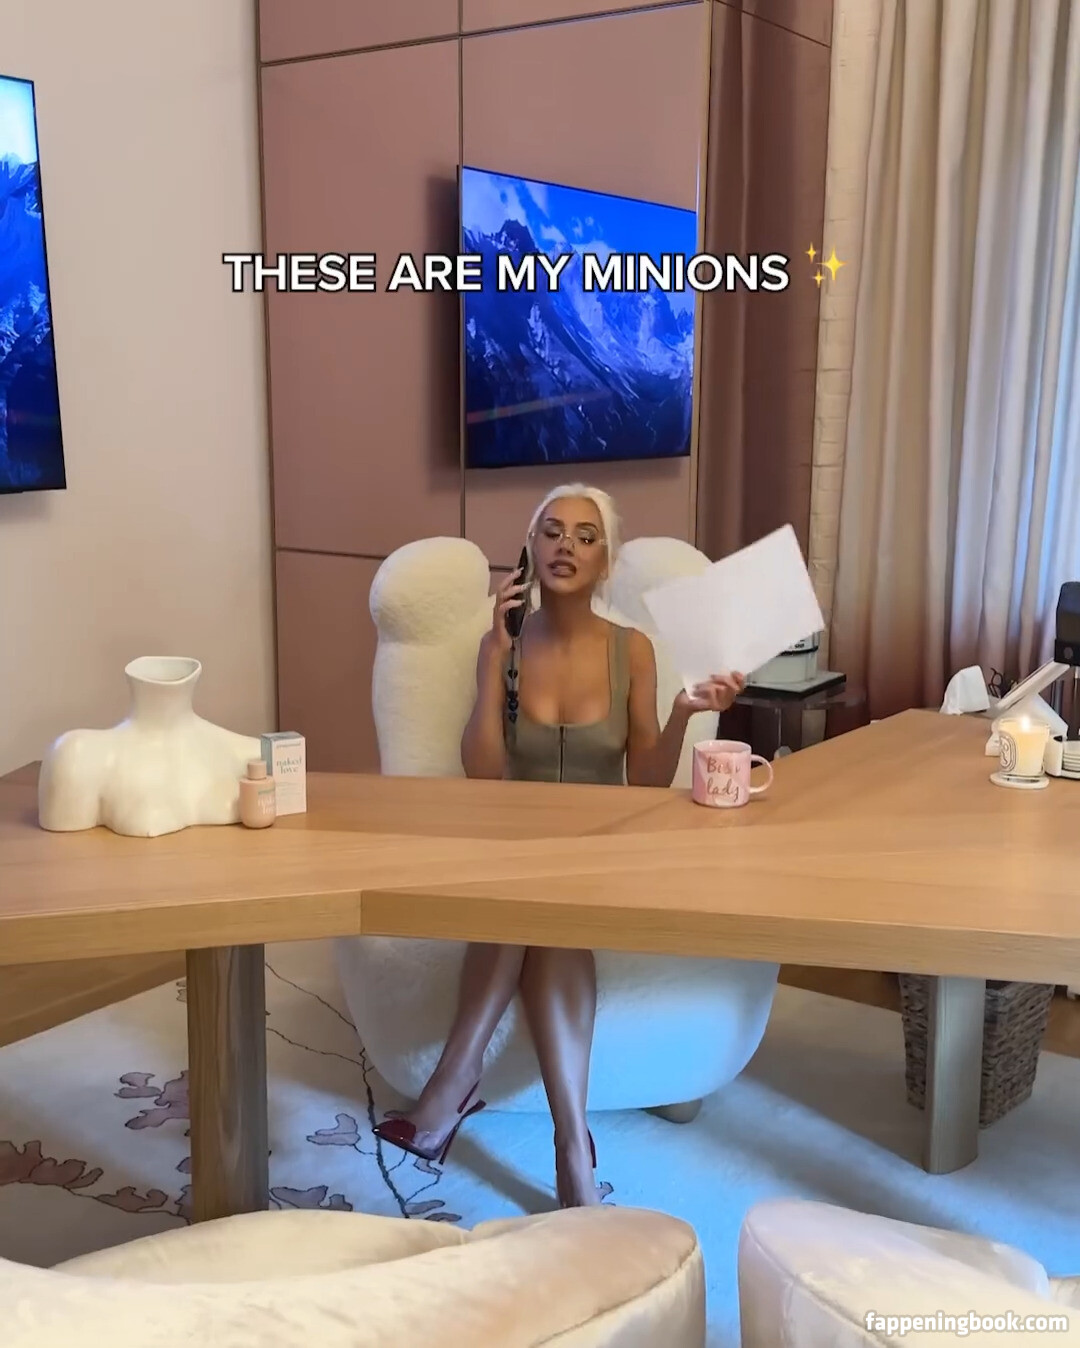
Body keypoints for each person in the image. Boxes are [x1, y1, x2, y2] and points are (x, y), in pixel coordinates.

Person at [374, 484, 745, 1207]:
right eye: (551, 532)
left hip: (603, 845)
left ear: (606, 562)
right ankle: (573, 1147)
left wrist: (681, 712)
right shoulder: (502, 647)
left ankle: (449, 1090)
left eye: (585, 535)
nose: (565, 545)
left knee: (536, 898)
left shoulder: (633, 651)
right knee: (537, 907)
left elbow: (646, 781)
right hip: (517, 843)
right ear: (528, 551)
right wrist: (493, 659)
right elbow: (483, 772)